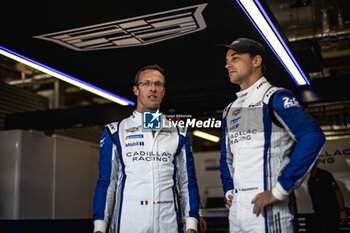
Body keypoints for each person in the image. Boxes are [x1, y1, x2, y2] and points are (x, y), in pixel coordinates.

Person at [218, 38, 325, 233]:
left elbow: (313, 136)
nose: (227, 65)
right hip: (237, 211)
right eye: (227, 60)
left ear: (256, 61)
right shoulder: (229, 110)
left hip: (269, 211)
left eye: (235, 58)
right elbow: (226, 157)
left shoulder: (275, 98)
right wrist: (229, 191)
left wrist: (280, 190)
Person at [93, 64, 204, 233]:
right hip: (128, 224)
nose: (153, 89)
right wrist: (99, 226)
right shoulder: (115, 131)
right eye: (146, 84)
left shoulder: (179, 133)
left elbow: (187, 182)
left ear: (163, 92)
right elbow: (107, 183)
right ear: (136, 90)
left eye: (158, 84)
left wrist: (191, 224)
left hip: (168, 225)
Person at [308, 164, 348, 233]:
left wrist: (342, 210)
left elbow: (337, 191)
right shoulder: (310, 180)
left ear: (316, 162)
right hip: (319, 215)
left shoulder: (325, 174)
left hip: (331, 213)